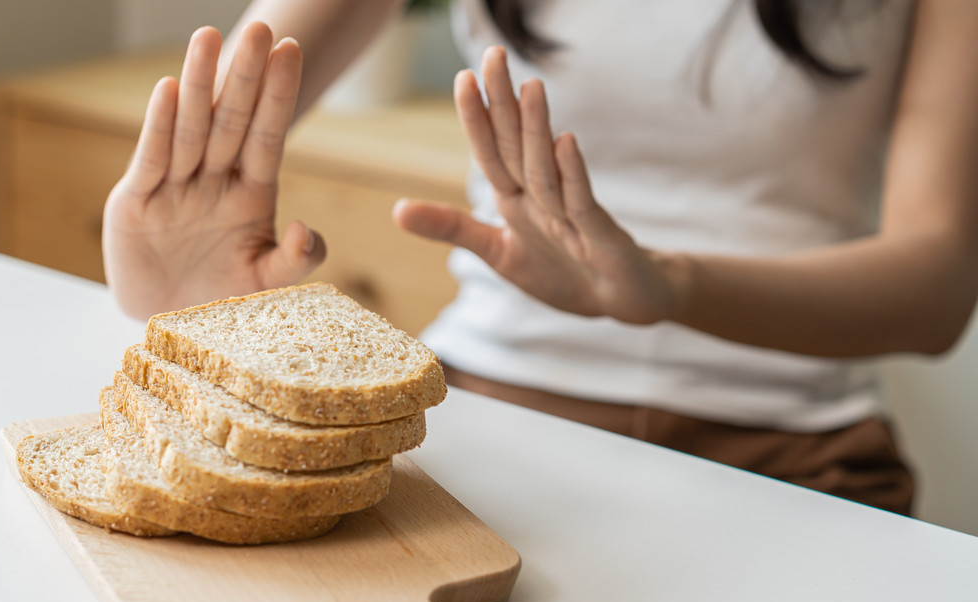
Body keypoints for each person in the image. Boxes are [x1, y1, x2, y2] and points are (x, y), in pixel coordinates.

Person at [101, 0, 978, 515]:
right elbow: (225, 119)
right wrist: (185, 297)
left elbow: (936, 288)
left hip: (796, 453)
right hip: (488, 411)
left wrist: (668, 285)